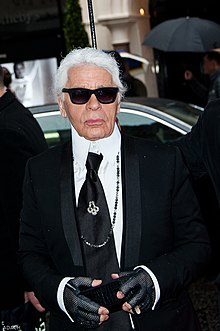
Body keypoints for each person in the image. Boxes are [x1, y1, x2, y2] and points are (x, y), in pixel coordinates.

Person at [18, 47, 211, 331]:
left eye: (105, 94)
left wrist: (154, 279)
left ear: (118, 102)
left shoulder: (163, 162)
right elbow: (29, 254)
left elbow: (197, 244)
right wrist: (60, 292)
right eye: (80, 95)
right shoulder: (39, 171)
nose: (93, 105)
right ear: (62, 104)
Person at [0, 65, 48, 329]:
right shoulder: (13, 114)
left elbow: (21, 212)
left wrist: (29, 281)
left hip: (13, 286)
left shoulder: (6, 128)